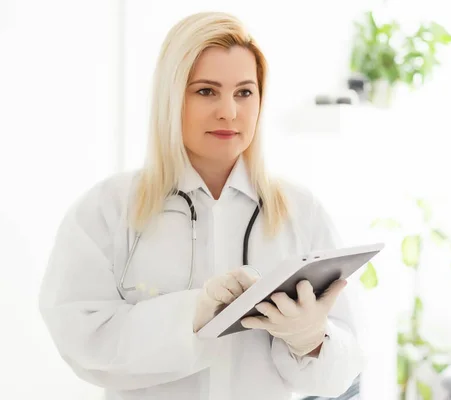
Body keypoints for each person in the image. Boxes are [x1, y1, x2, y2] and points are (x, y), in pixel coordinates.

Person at [38, 11, 364, 400]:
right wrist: (193, 313)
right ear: (172, 96)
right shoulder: (108, 209)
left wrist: (312, 340)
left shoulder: (301, 211)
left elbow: (342, 371)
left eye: (244, 92)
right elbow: (81, 340)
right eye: (206, 91)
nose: (229, 111)